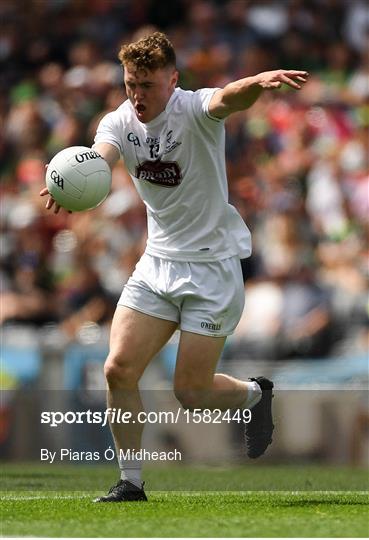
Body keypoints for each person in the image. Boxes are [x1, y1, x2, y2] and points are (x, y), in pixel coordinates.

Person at [40, 32, 309, 502]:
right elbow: (99, 159)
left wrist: (258, 82)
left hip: (211, 269)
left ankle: (254, 395)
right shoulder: (120, 120)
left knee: (191, 392)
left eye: (147, 84)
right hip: (157, 265)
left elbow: (227, 98)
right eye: (130, 84)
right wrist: (72, 178)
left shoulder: (194, 108)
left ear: (173, 79)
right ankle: (131, 481)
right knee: (118, 368)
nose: (137, 95)